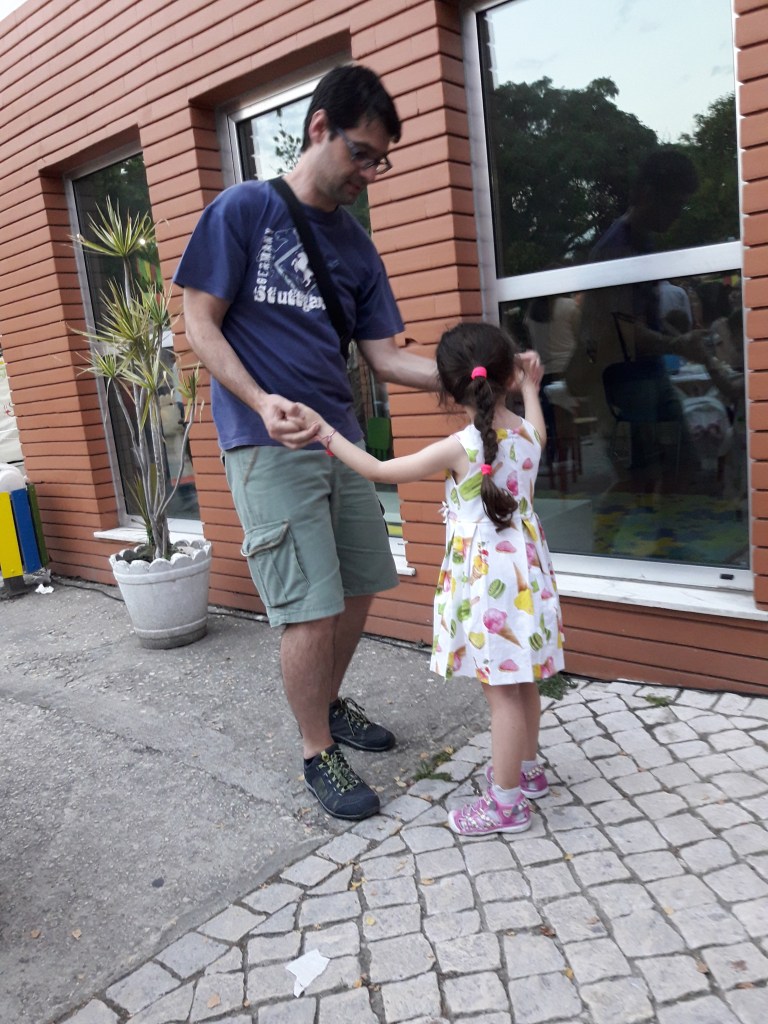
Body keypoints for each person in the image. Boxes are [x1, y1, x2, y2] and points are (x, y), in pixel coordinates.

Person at [173, 65, 439, 822]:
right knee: (310, 607)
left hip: (341, 442)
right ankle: (317, 749)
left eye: (381, 161)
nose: (370, 173)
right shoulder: (245, 209)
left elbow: (387, 357)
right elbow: (199, 323)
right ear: (320, 127)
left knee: (359, 587)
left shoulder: (357, 246)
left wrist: (477, 373)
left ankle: (329, 700)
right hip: (265, 443)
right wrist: (260, 401)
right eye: (362, 153)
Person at [296, 322, 564, 837]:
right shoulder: (530, 435)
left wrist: (326, 434)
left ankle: (506, 804)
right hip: (526, 577)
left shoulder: (460, 446)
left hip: (489, 585)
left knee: (502, 694)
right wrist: (532, 388)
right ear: (507, 377)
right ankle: (527, 771)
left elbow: (381, 470)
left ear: (448, 389)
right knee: (522, 679)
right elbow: (541, 430)